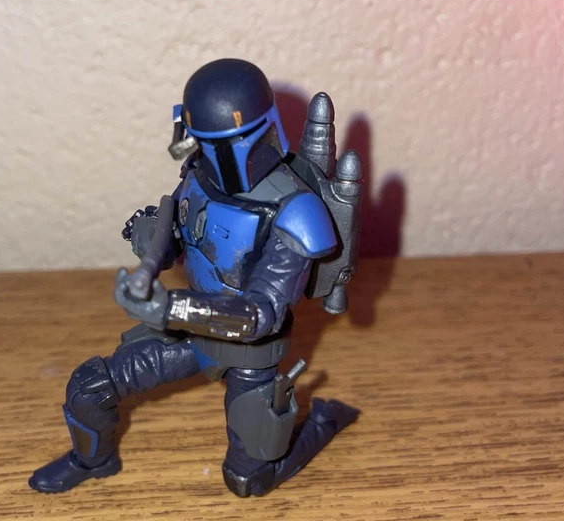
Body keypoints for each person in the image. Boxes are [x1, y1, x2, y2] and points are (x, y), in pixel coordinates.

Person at [29, 58, 359, 498]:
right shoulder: (198, 174)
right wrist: (152, 239)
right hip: (192, 335)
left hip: (249, 356)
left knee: (247, 480)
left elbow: (258, 315)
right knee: (88, 389)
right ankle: (93, 461)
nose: (200, 151)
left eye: (212, 143)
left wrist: (170, 308)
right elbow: (180, 233)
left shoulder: (295, 212)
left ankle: (321, 423)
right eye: (196, 140)